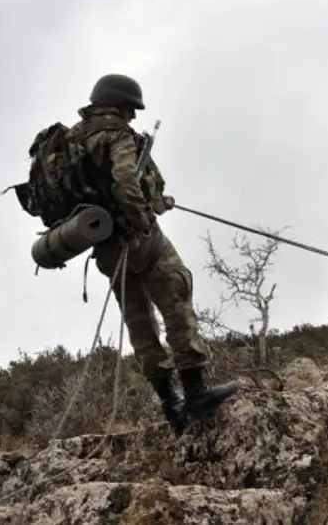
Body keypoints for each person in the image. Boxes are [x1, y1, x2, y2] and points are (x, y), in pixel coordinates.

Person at [67, 73, 238, 434]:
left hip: (106, 248)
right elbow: (126, 183)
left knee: (139, 323)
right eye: (129, 109)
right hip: (139, 239)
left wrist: (157, 202)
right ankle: (195, 393)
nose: (132, 117)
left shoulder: (73, 142)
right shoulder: (118, 136)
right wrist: (143, 220)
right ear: (117, 105)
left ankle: (170, 406)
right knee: (176, 294)